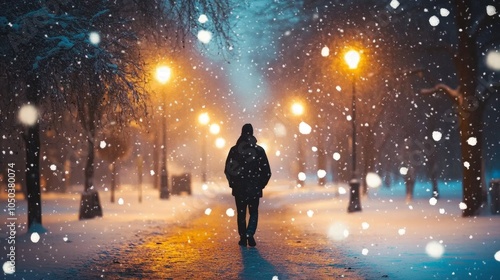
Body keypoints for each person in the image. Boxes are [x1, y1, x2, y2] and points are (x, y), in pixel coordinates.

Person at [224, 123, 271, 247]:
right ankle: (250, 233)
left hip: (239, 188)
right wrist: (260, 184)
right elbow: (267, 172)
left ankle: (243, 237)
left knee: (241, 212)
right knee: (253, 212)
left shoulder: (234, 150)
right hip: (254, 188)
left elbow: (228, 169)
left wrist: (233, 183)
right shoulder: (259, 151)